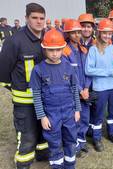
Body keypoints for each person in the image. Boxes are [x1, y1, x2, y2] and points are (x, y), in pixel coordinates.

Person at [0, 3, 49, 168]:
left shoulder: (47, 39)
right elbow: (3, 74)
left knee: (44, 133)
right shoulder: (14, 41)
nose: (38, 21)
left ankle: (42, 155)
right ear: (26, 18)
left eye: (41, 18)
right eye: (34, 18)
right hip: (24, 102)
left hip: (45, 100)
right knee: (27, 137)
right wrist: (18, 89)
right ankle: (23, 164)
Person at [30, 29, 81, 169]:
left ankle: (70, 165)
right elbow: (36, 95)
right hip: (51, 115)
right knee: (54, 143)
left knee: (70, 141)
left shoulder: (68, 67)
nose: (54, 53)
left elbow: (74, 89)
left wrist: (77, 109)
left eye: (58, 49)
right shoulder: (38, 70)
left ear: (63, 49)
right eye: (51, 50)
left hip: (69, 112)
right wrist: (42, 117)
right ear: (44, 49)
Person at [85, 18, 113, 152]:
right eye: (104, 33)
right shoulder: (93, 50)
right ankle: (96, 138)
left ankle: (112, 133)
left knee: (112, 112)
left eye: (110, 33)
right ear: (99, 33)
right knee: (98, 113)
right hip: (100, 88)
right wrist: (109, 72)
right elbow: (88, 70)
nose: (107, 36)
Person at [62, 19, 91, 156]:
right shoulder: (64, 51)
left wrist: (86, 88)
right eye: (73, 32)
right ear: (68, 33)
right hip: (72, 93)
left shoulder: (84, 50)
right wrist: (80, 90)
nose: (77, 35)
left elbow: (88, 71)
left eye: (78, 32)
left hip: (84, 92)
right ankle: (74, 145)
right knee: (74, 121)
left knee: (84, 118)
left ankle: (82, 142)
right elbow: (68, 74)